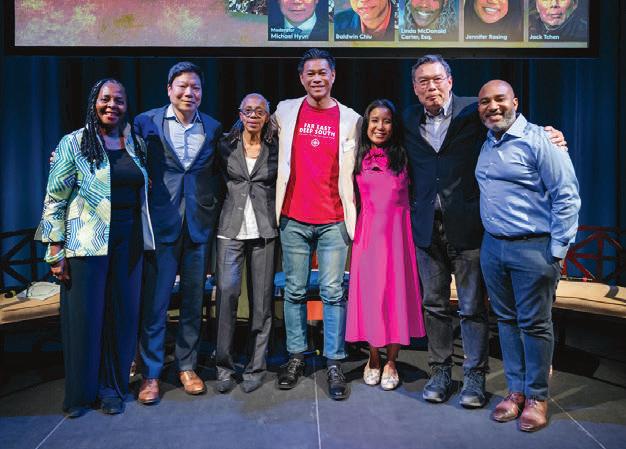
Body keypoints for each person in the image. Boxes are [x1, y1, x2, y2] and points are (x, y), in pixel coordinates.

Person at [402, 54, 566, 409]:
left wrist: (548, 134)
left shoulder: (472, 111)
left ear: (449, 81)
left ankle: (474, 375)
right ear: (414, 88)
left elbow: (508, 122)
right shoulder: (407, 119)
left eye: (437, 79)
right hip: (427, 230)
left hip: (470, 229)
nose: (431, 86)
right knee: (434, 305)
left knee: (473, 307)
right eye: (423, 81)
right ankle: (439, 372)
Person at [36, 78, 155, 417]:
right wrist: (55, 250)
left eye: (119, 100)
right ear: (94, 102)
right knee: (86, 321)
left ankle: (112, 389)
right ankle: (80, 395)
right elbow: (54, 199)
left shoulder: (136, 143)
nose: (112, 105)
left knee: (123, 319)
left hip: (129, 241)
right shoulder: (73, 143)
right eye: (105, 99)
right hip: (86, 243)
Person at [476, 80, 580, 432]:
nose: (493, 106)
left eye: (500, 99)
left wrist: (558, 251)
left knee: (535, 324)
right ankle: (516, 391)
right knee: (506, 321)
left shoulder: (542, 140)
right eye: (485, 102)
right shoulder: (487, 142)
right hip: (494, 247)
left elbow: (567, 196)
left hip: (533, 248)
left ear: (515, 102)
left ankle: (537, 397)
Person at [273, 48, 361, 400]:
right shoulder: (284, 110)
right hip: (293, 217)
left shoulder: (351, 118)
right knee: (294, 291)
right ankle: (296, 356)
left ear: (333, 75)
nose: (317, 78)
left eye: (323, 72)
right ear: (301, 78)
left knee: (333, 293)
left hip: (334, 220)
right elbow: (252, 128)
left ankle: (334, 360)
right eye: (310, 73)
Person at [134, 62, 222, 404]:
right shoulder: (146, 122)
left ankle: (187, 366)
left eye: (195, 87)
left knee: (192, 301)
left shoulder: (212, 126)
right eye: (183, 86)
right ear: (169, 89)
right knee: (155, 304)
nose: (189, 93)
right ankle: (151, 374)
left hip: (198, 225)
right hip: (161, 224)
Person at [346, 99, 426, 390]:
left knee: (395, 296)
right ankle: (373, 357)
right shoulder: (355, 156)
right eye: (375, 120)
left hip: (398, 237)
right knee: (371, 298)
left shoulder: (406, 155)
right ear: (366, 124)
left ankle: (392, 360)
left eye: (387, 120)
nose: (380, 126)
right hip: (368, 238)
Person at [214, 93, 278, 394]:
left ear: (267, 116)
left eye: (260, 111)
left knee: (262, 302)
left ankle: (256, 366)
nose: (253, 115)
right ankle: (224, 367)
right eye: (248, 111)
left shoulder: (275, 147)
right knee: (227, 294)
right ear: (240, 114)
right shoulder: (225, 145)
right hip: (230, 229)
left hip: (264, 231)